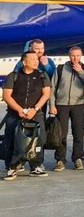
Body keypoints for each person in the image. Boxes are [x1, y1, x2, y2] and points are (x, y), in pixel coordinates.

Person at [3, 51, 51, 180]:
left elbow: (46, 94)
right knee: (11, 140)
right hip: (15, 114)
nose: (36, 61)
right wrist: (19, 110)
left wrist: (34, 109)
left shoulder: (42, 75)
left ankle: (36, 166)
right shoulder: (13, 76)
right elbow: (6, 96)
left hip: (36, 114)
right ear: (24, 62)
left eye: (37, 59)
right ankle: (12, 167)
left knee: (39, 139)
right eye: (32, 59)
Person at [49, 46, 84, 171]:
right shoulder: (61, 68)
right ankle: (60, 160)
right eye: (73, 55)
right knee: (61, 134)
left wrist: (80, 72)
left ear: (81, 56)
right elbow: (52, 87)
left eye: (78, 55)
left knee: (78, 132)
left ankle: (78, 158)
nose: (75, 58)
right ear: (69, 55)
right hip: (61, 105)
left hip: (78, 105)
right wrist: (52, 105)